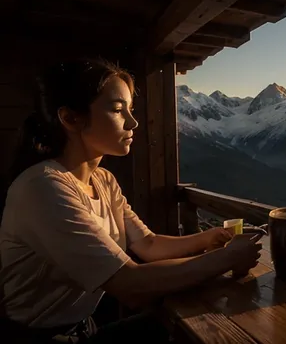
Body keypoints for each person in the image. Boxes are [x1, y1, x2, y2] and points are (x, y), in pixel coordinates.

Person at [0, 59, 264, 343]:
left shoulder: (103, 181)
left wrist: (208, 238)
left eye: (130, 109)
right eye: (117, 110)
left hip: (83, 328)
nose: (133, 122)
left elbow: (148, 244)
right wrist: (226, 257)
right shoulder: (43, 187)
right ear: (71, 119)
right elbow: (130, 284)